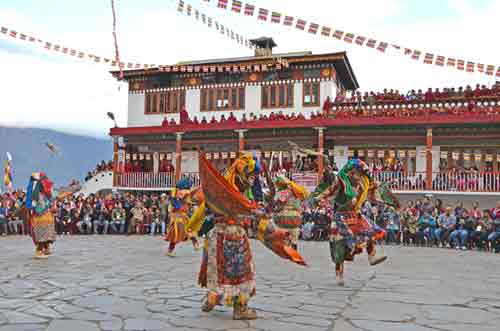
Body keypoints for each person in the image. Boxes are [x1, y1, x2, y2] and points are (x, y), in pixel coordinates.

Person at [197, 152, 306, 320]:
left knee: (217, 271)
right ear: (241, 175)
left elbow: (206, 212)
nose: (253, 180)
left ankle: (213, 296)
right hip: (233, 237)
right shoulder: (238, 199)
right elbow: (255, 218)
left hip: (215, 236)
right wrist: (276, 233)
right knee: (241, 274)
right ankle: (240, 308)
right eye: (251, 176)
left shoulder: (219, 193)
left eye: (255, 176)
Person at [314, 159, 398, 286]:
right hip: (339, 217)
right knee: (339, 249)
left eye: (360, 173)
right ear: (349, 173)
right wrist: (319, 198)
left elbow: (374, 194)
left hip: (355, 215)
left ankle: (372, 256)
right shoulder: (341, 182)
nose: (358, 176)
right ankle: (339, 276)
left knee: (369, 230)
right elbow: (328, 191)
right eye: (356, 173)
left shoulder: (364, 183)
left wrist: (383, 200)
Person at [269, 175, 309, 251]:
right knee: (294, 234)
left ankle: (286, 248)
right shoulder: (298, 193)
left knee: (283, 232)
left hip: (285, 217)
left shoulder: (285, 192)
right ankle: (294, 247)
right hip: (296, 217)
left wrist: (274, 209)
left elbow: (280, 203)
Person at [165, 178, 200, 256]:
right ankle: (170, 250)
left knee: (189, 230)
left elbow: (190, 195)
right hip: (178, 216)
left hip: (183, 215)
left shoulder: (181, 192)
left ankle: (195, 243)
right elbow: (182, 197)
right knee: (176, 232)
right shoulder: (181, 192)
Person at [25, 173, 56, 259]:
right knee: (47, 233)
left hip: (38, 217)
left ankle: (40, 249)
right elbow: (52, 200)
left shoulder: (32, 187)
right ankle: (46, 248)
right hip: (48, 215)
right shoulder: (48, 188)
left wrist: (28, 213)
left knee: (39, 234)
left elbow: (29, 202)